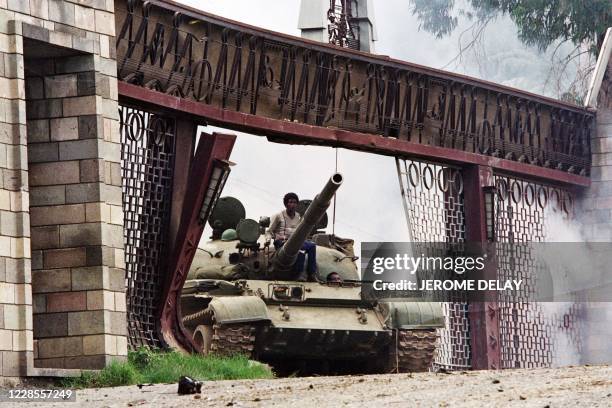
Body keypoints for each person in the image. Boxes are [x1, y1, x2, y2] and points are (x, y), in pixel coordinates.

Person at [267, 192, 318, 282]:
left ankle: (311, 273)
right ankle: (296, 275)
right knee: (298, 250)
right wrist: (267, 240)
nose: (292, 205)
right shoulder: (278, 216)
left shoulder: (298, 216)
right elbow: (269, 231)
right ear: (286, 204)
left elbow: (300, 231)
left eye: (294, 202)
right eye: (290, 202)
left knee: (311, 246)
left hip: (295, 242)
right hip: (281, 242)